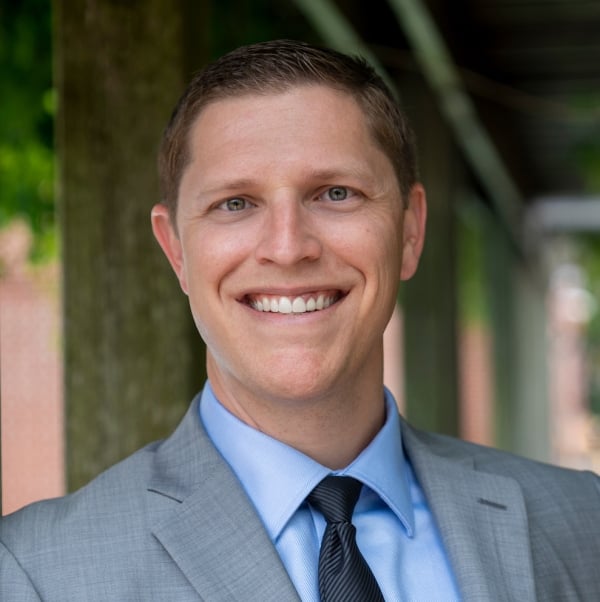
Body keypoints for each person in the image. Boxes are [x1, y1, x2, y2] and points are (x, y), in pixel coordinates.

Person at [1, 39, 599, 602]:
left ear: (410, 230)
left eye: (335, 193)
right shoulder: (34, 573)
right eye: (235, 203)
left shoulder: (582, 522)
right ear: (177, 250)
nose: (288, 248)